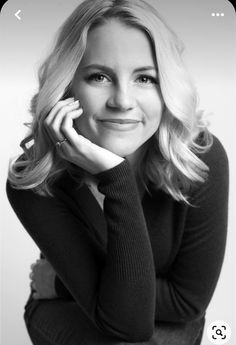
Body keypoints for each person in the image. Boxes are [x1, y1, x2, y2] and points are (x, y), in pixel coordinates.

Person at [6, 0, 229, 344]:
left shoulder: (200, 157)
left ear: (166, 88)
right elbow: (127, 326)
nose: (123, 100)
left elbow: (187, 302)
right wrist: (118, 179)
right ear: (67, 87)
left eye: (145, 78)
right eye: (99, 76)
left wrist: (61, 283)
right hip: (70, 314)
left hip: (164, 322)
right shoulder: (34, 179)